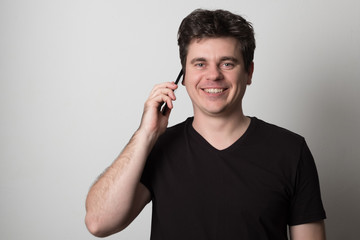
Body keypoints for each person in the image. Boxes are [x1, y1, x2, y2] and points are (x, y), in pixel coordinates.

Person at [85, 9, 326, 239]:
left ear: (249, 73)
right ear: (184, 76)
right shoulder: (157, 147)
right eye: (200, 64)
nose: (213, 75)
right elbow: (99, 223)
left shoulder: (291, 151)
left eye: (227, 64)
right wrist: (145, 133)